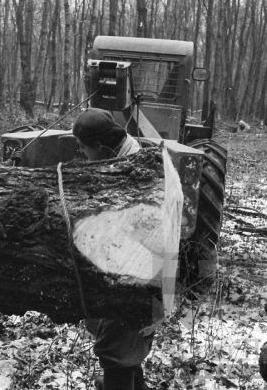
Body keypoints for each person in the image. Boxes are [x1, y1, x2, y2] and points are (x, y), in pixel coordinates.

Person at [72, 108, 152, 390]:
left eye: (83, 148)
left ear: (100, 145)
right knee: (124, 349)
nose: (82, 154)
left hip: (136, 277)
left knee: (114, 350)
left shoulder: (133, 169)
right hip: (133, 274)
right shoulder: (122, 153)